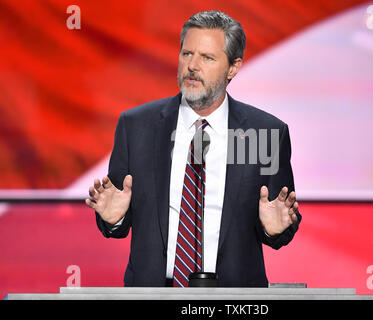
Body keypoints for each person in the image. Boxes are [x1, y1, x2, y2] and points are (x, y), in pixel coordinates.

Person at [85, 10, 301, 287]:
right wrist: (114, 219)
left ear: (233, 67)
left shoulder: (264, 132)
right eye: (187, 54)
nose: (192, 66)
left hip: (234, 299)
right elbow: (115, 220)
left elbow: (281, 222)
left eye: (207, 58)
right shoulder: (137, 126)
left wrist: (275, 230)